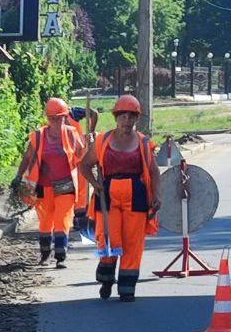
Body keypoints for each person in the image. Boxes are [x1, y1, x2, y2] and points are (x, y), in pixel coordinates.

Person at [81, 94, 161, 302]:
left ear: (136, 118)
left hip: (136, 195)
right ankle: (106, 280)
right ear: (116, 117)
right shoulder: (103, 140)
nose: (127, 121)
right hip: (107, 195)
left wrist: (157, 195)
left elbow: (153, 172)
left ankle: (127, 289)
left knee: (133, 243)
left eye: (131, 116)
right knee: (108, 239)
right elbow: (85, 165)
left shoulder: (144, 142)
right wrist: (95, 184)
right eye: (123, 116)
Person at [13, 97, 88, 268]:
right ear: (48, 118)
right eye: (53, 118)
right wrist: (19, 176)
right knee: (46, 221)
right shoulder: (38, 136)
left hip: (66, 185)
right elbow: (27, 156)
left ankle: (61, 254)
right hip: (42, 186)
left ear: (65, 116)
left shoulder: (71, 133)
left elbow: (82, 155)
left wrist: (89, 146)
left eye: (60, 117)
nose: (56, 121)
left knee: (63, 219)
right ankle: (45, 253)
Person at [67, 104, 98, 234]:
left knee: (81, 190)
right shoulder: (50, 121)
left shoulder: (73, 112)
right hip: (64, 159)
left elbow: (94, 112)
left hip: (79, 156)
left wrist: (91, 131)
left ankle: (80, 220)